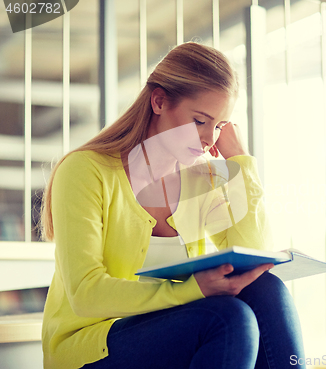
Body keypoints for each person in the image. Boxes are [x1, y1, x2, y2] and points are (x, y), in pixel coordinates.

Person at [40, 42, 305, 369]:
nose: (210, 139)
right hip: (91, 343)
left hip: (174, 330)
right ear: (159, 101)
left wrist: (241, 164)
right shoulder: (85, 170)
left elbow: (253, 255)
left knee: (266, 288)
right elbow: (86, 294)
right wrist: (194, 290)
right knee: (226, 318)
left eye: (220, 126)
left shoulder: (201, 180)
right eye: (200, 121)